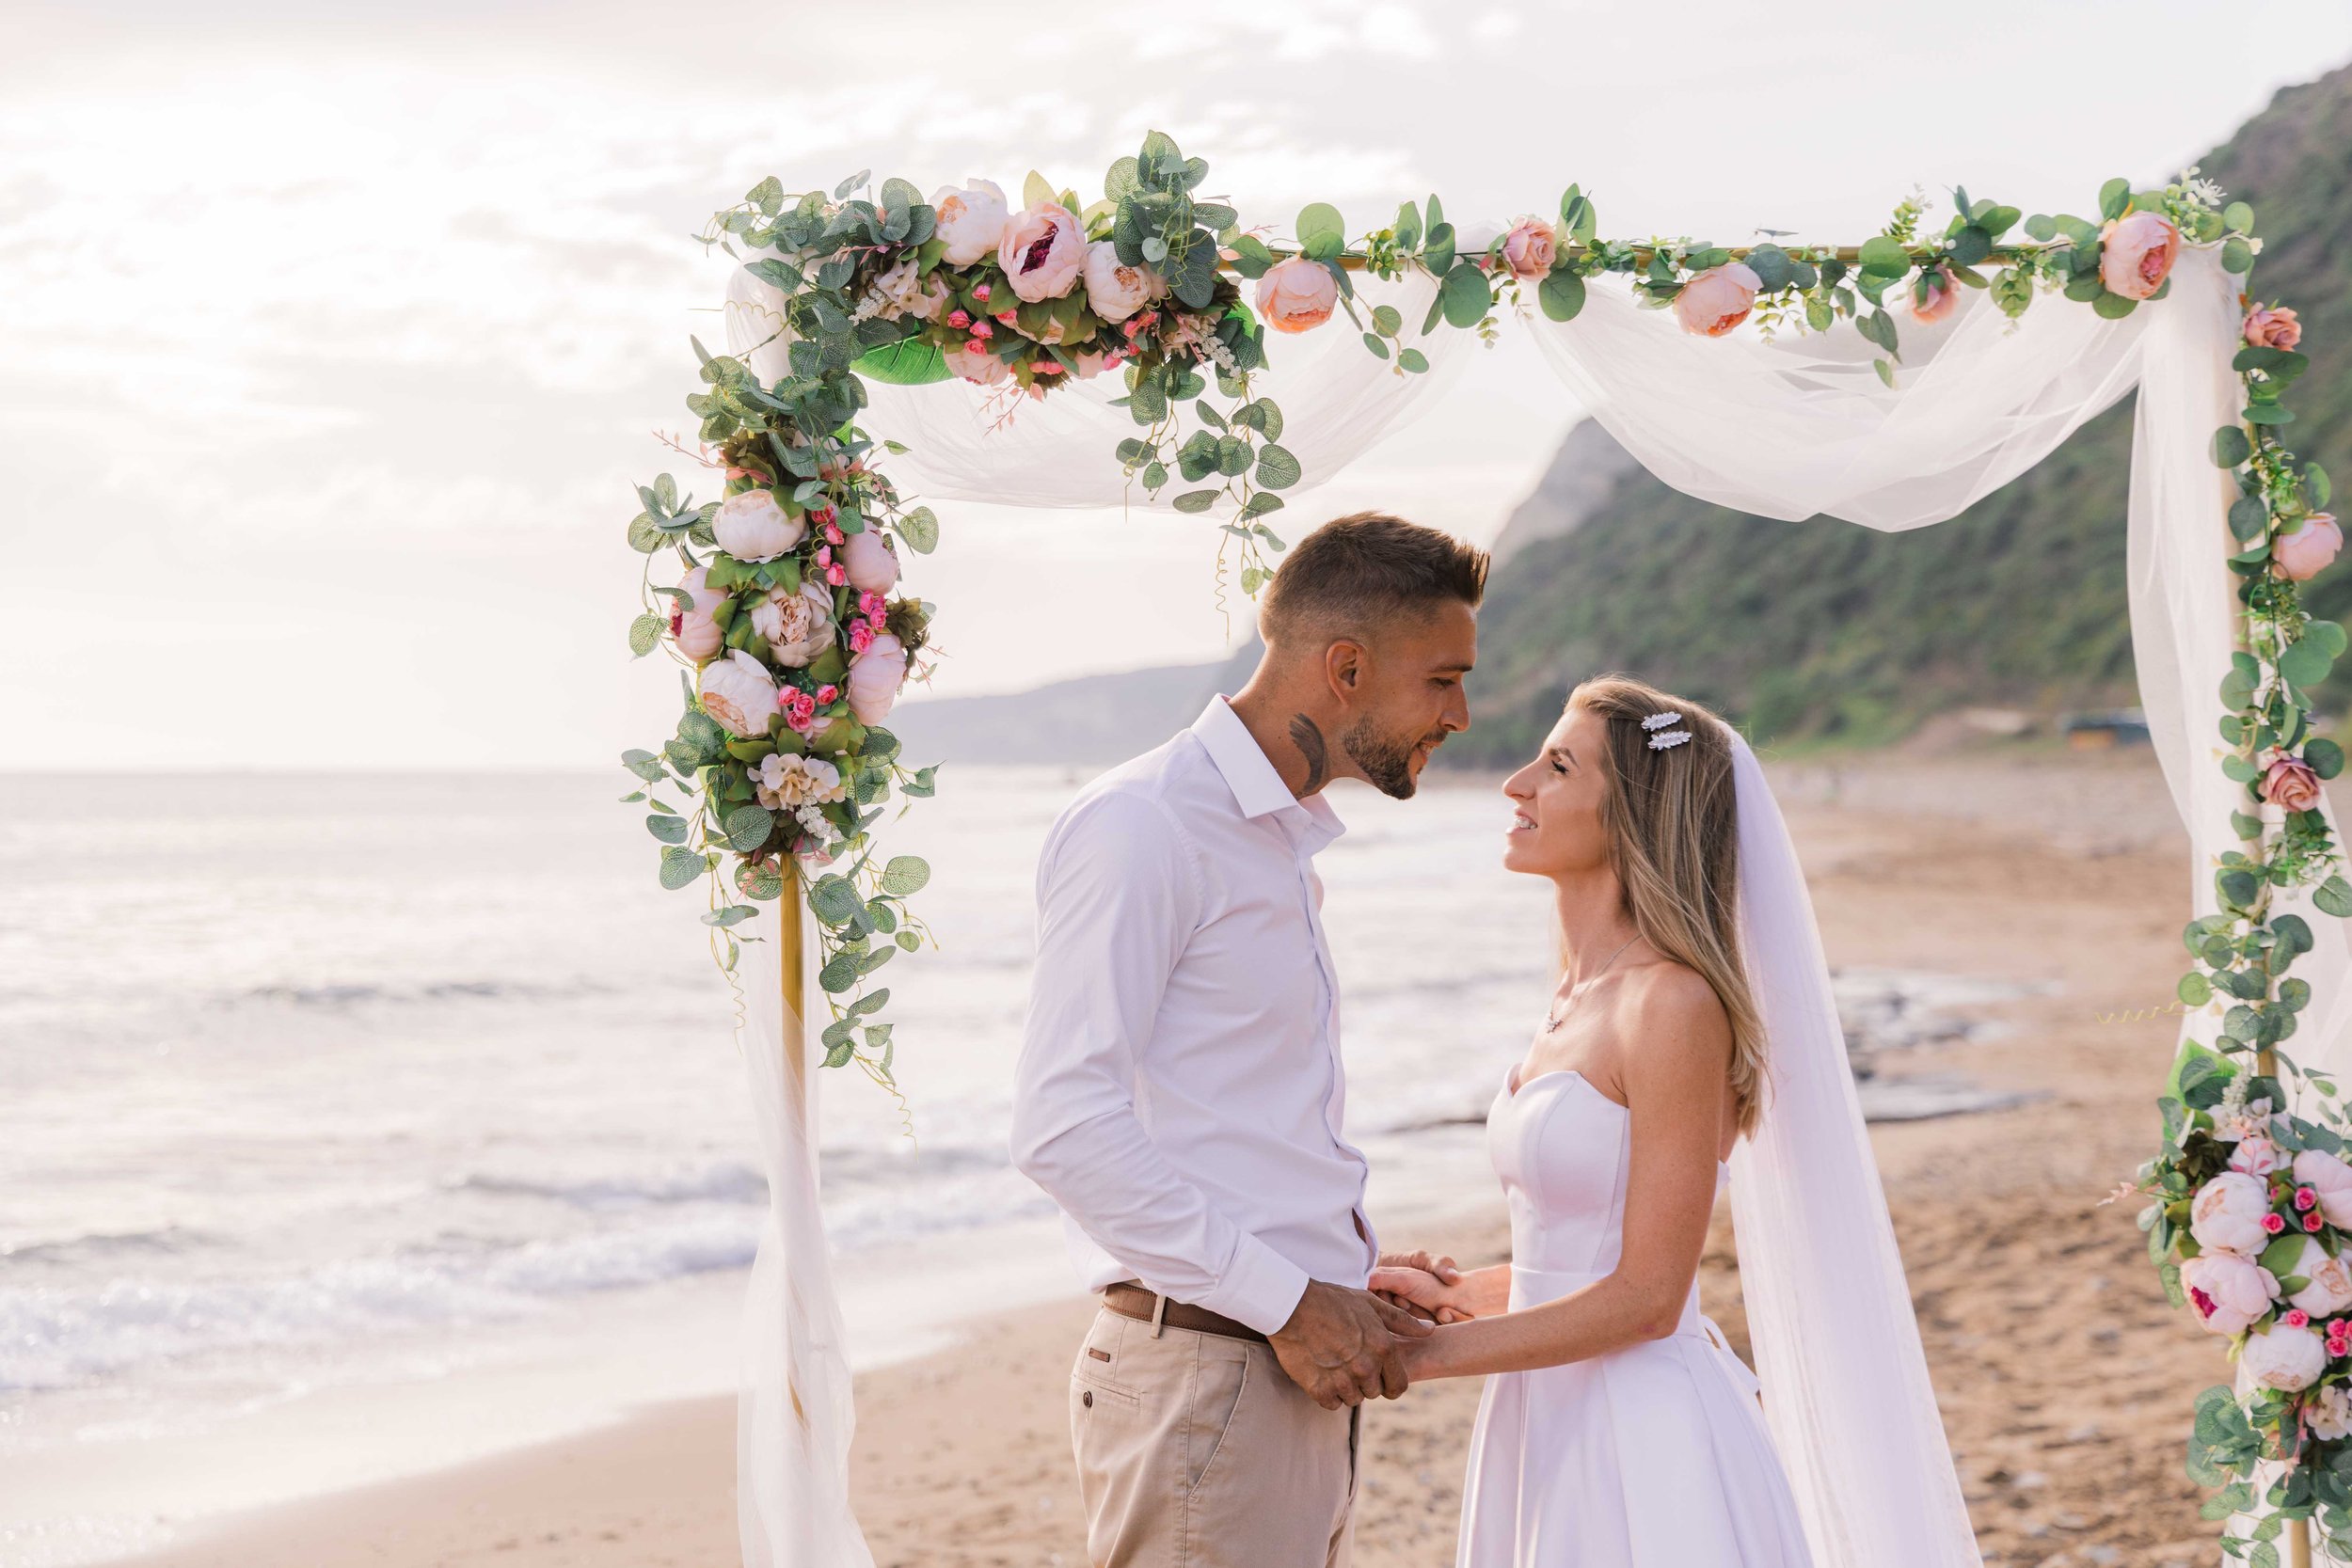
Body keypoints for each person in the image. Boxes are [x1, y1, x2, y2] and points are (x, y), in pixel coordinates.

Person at [1373, 676, 1983, 1568]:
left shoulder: (1671, 1004)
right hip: (1544, 1411)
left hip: (1639, 1430)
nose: (1516, 783)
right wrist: (1458, 1296)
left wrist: (1422, 1360)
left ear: (1632, 814)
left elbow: (1652, 1297)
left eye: (1556, 766)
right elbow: (1582, 1257)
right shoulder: (1575, 997)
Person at [1010, 512, 1489, 1568]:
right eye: (1443, 678)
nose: (1459, 713)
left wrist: (1338, 1258)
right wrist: (1290, 1296)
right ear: (1348, 666)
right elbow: (1063, 1127)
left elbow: (1229, 1115)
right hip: (1211, 1370)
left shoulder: (1276, 841)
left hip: (1278, 1361)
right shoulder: (1146, 825)